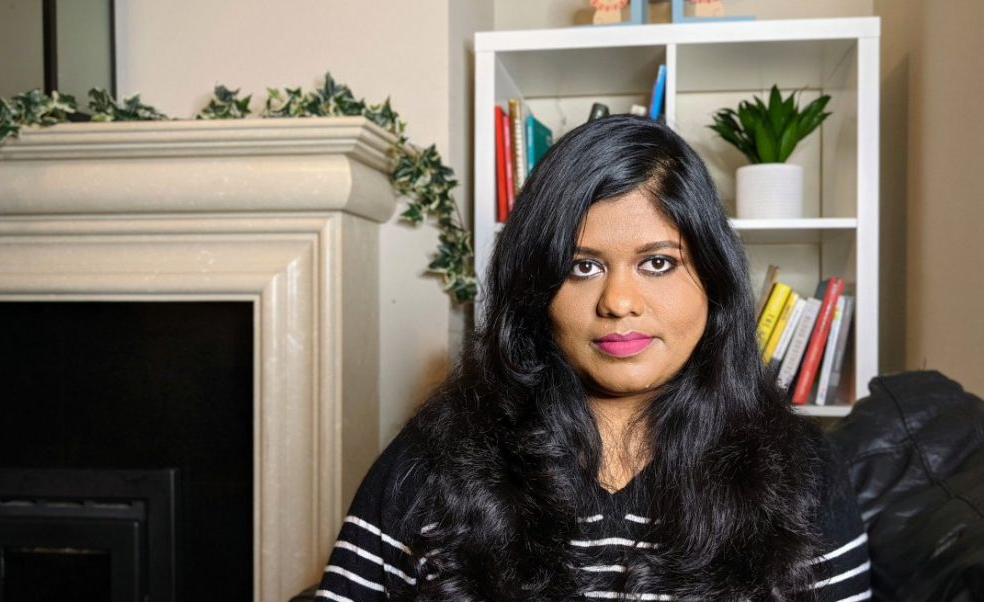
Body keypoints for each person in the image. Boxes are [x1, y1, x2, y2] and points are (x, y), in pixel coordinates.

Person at [316, 115, 870, 601]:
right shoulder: (433, 460)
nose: (619, 302)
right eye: (582, 266)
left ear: (713, 278)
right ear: (537, 286)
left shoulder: (803, 473)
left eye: (658, 263)